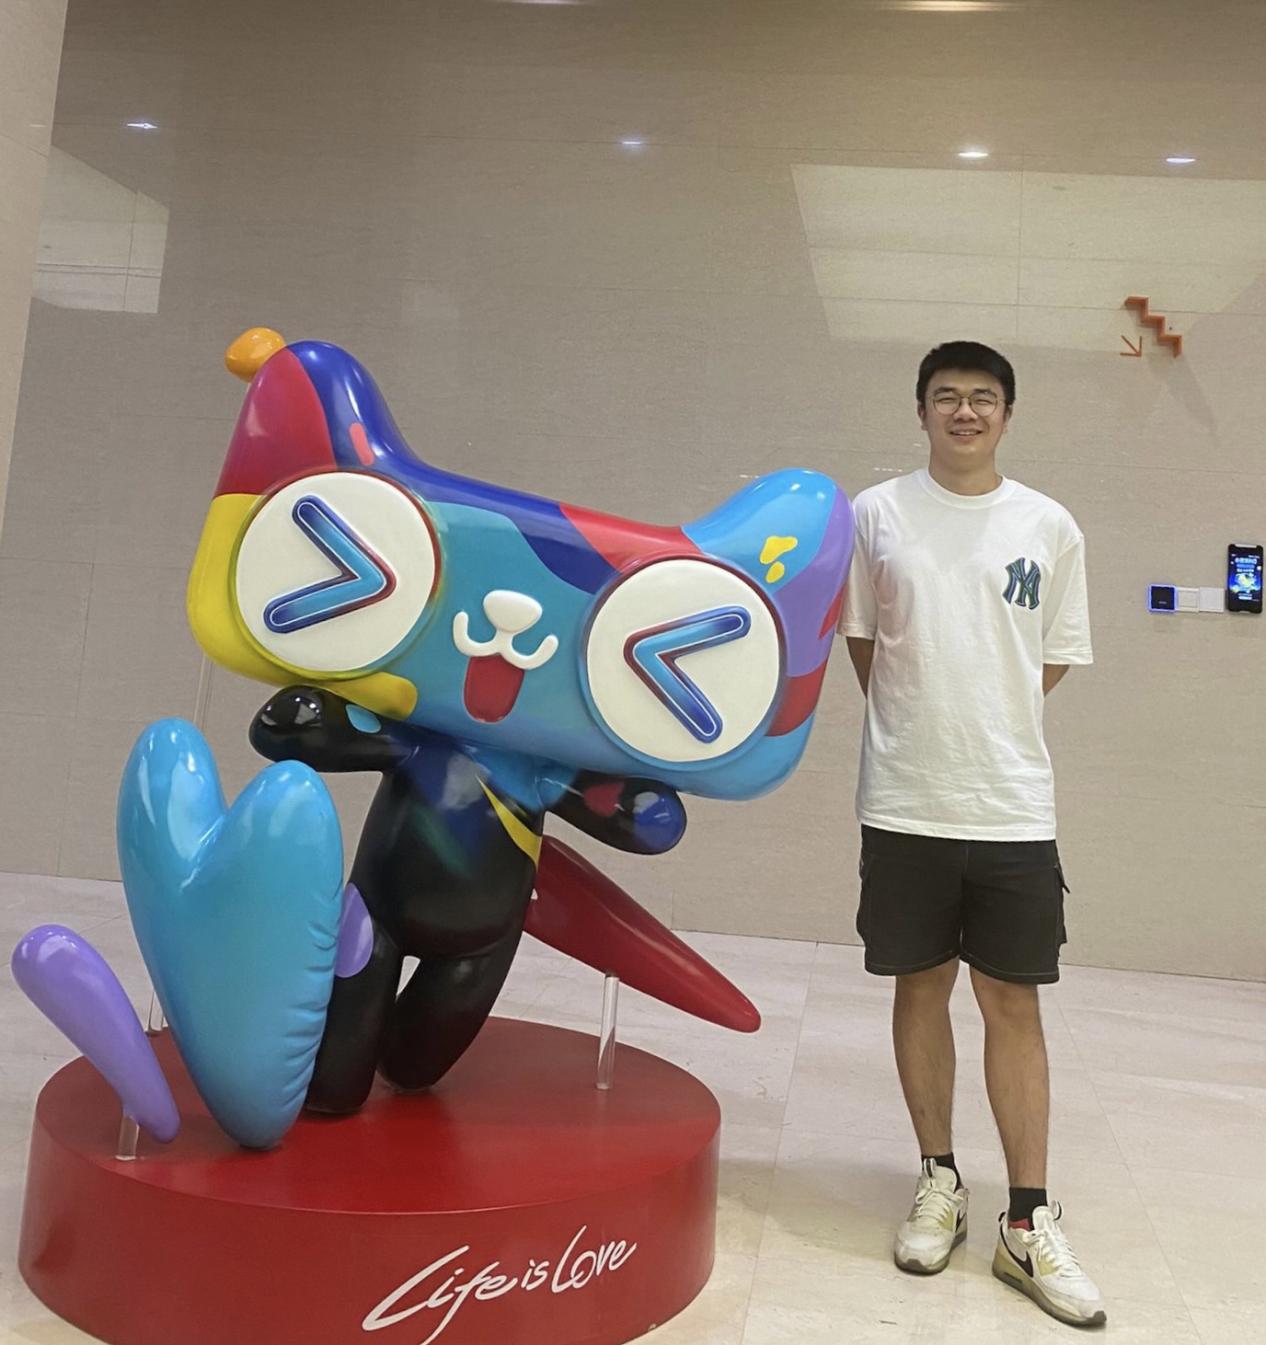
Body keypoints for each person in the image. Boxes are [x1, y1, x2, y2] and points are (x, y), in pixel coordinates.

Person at [838, 341, 1104, 1328]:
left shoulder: (1048, 524)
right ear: (921, 411)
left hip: (1010, 803)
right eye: (945, 396)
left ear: (1006, 414)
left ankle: (1026, 1222)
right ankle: (939, 1180)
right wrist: (920, 719)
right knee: (920, 984)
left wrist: (988, 715)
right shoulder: (876, 515)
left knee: (1012, 1000)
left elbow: (1053, 657)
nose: (964, 411)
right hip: (904, 797)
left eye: (982, 397)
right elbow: (864, 640)